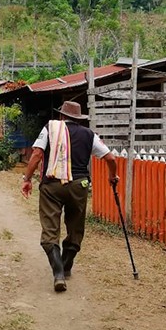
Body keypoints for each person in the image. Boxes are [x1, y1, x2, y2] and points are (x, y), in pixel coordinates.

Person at [20, 100, 118, 293]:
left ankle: (58, 273)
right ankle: (66, 265)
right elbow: (110, 158)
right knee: (75, 228)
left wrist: (27, 178)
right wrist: (112, 176)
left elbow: (37, 154)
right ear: (78, 119)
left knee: (50, 230)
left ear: (62, 116)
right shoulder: (89, 135)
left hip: (51, 186)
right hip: (78, 186)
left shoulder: (50, 128)